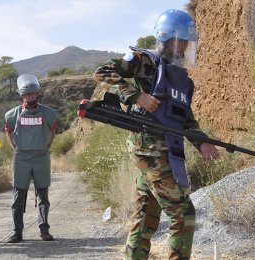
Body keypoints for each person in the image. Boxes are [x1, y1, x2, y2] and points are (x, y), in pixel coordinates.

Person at [93, 9, 219, 259]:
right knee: (184, 215)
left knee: (146, 216)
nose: (184, 47)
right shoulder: (143, 60)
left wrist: (202, 142)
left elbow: (184, 119)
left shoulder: (182, 79)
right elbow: (103, 72)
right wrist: (136, 95)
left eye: (187, 43)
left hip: (164, 150)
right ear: (168, 38)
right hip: (149, 148)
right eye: (181, 41)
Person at [4, 74, 57, 243]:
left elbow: (53, 130)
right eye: (27, 94)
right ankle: (17, 232)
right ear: (22, 95)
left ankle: (44, 230)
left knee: (43, 195)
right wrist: (15, 148)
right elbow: (8, 130)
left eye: (33, 94)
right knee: (18, 196)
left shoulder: (48, 113)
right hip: (22, 158)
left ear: (37, 94)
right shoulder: (12, 114)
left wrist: (47, 147)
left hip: (41, 156)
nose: (30, 96)